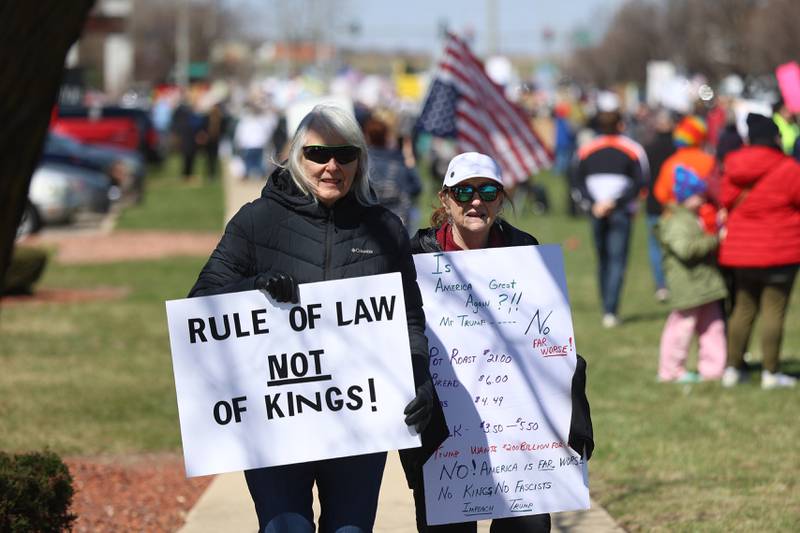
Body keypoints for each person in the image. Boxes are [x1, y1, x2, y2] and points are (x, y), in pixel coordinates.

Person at [189, 104, 448, 532]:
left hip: (360, 424)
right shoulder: (257, 221)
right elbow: (202, 301)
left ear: (360, 160)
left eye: (345, 154)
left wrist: (418, 374)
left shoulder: (384, 228)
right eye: (318, 154)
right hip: (275, 424)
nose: (332, 166)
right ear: (295, 156)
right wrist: (254, 288)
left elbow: (408, 317)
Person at [408, 152, 594, 533]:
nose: (476, 201)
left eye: (488, 190)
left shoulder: (526, 249)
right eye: (464, 192)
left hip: (520, 440)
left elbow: (551, 338)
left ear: (501, 198)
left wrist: (574, 403)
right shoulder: (416, 255)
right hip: (444, 439)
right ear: (445, 199)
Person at [719, 113, 800, 389]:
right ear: (775, 138)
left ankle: (732, 368)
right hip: (781, 251)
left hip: (741, 253)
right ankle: (770, 371)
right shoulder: (789, 168)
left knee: (742, 309)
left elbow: (725, 200)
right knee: (773, 312)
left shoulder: (733, 167)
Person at [572, 110, 648, 327]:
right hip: (619, 210)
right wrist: (615, 202)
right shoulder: (633, 149)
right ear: (621, 125)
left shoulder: (587, 149)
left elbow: (576, 181)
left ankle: (607, 305)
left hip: (598, 209)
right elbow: (641, 182)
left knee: (603, 259)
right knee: (616, 260)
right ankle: (610, 309)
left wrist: (594, 203)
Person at [656, 167, 727, 383]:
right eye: (698, 194)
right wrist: (715, 240)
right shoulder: (678, 221)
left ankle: (713, 369)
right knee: (680, 329)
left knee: (713, 327)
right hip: (687, 286)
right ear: (686, 196)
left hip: (705, 285)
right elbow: (685, 249)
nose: (703, 198)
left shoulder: (695, 217)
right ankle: (670, 371)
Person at [653, 115, 718, 234]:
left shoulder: (670, 163)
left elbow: (661, 194)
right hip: (706, 222)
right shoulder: (710, 162)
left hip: (677, 222)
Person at [363, 115, 422, 229]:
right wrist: (409, 158)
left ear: (367, 137)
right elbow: (417, 187)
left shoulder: (362, 162)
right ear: (386, 136)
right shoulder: (400, 161)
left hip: (370, 224)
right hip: (399, 223)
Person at [643, 109, 676, 302]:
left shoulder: (648, 149)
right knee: (672, 246)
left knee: (655, 247)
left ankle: (661, 285)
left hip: (654, 204)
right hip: (673, 205)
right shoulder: (677, 149)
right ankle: (672, 282)